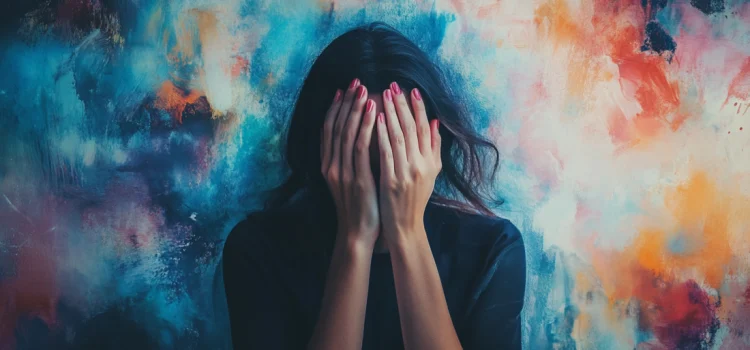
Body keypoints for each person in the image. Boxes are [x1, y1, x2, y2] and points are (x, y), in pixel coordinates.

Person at [222, 21, 526, 350]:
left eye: (399, 145)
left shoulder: (493, 252)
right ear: (322, 145)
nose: (387, 177)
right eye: (358, 148)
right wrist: (354, 239)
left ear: (432, 147)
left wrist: (407, 233)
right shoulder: (257, 250)